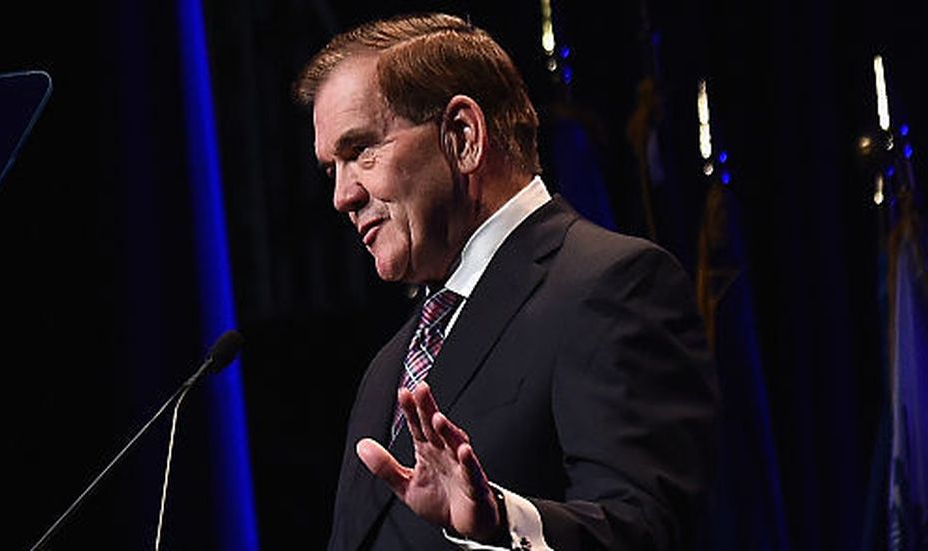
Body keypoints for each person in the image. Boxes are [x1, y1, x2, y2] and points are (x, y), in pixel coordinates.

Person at [294, 13, 719, 550]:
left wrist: (501, 522)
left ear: (463, 136)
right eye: (330, 168)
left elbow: (647, 530)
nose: (342, 195)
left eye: (360, 152)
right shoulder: (388, 369)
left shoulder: (610, 285)